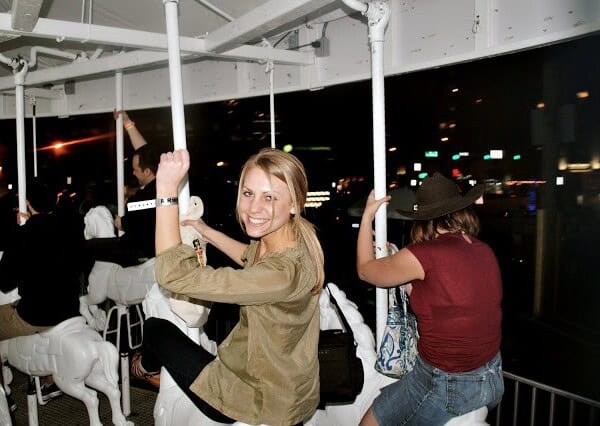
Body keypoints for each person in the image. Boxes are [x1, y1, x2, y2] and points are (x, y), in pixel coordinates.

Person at [131, 148, 324, 425]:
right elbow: (251, 256)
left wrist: (166, 191)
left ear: (294, 203)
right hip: (291, 389)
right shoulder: (292, 240)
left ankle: (147, 369)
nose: (254, 208)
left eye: (269, 197)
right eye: (248, 194)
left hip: (255, 399)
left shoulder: (281, 273)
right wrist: (207, 231)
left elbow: (173, 275)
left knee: (155, 328)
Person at [356, 172, 504, 426]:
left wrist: (366, 216)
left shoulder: (425, 253)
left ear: (424, 219)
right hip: (491, 378)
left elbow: (365, 270)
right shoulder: (482, 249)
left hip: (445, 385)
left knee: (369, 423)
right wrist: (395, 258)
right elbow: (441, 298)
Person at [0, 179, 88, 403]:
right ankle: (50, 379)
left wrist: (24, 231)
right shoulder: (69, 227)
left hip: (37, 315)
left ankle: (3, 397)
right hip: (69, 308)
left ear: (27, 203)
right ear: (56, 199)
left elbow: (5, 282)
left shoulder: (22, 235)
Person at [86, 110, 159, 265]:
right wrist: (128, 123)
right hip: (149, 248)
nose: (133, 172)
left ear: (147, 171)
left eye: (136, 170)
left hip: (141, 252)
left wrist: (121, 222)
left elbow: (130, 222)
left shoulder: (143, 198)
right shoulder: (163, 182)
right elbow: (144, 150)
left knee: (89, 247)